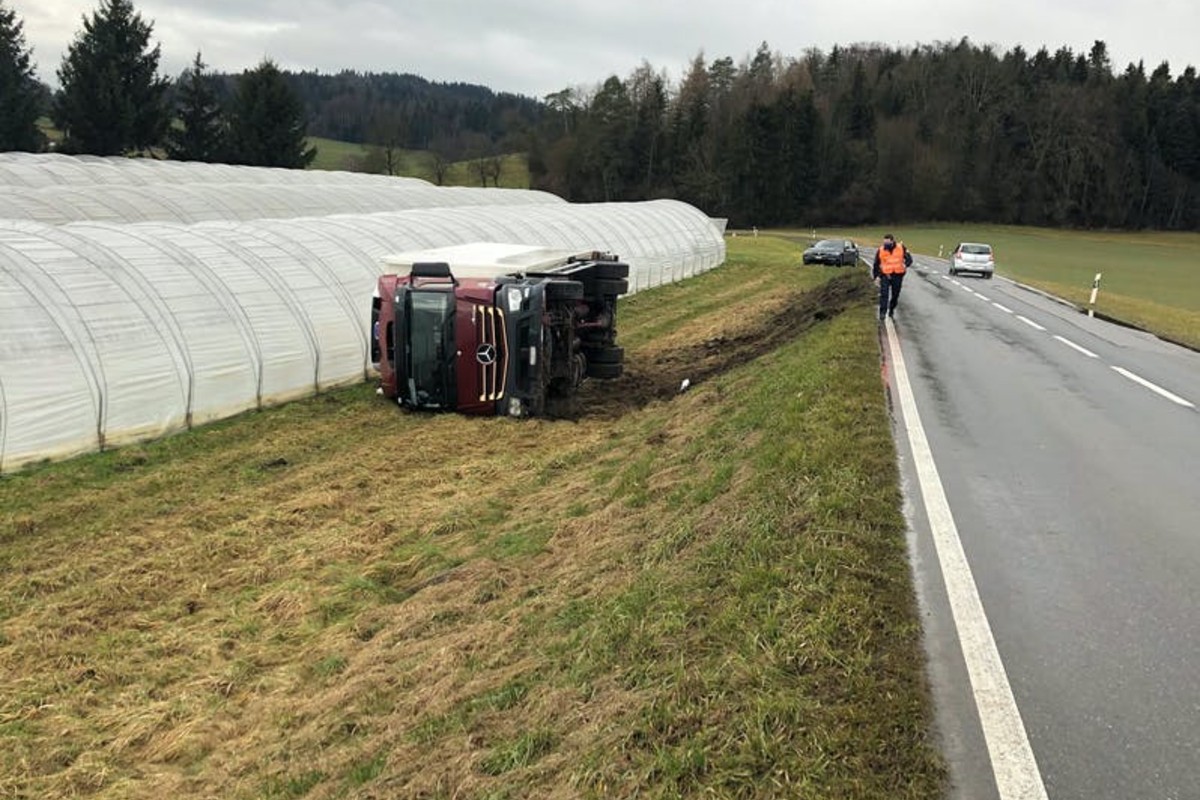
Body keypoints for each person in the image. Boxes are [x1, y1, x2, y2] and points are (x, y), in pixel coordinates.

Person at [872, 233, 912, 320]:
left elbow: (909, 259)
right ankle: (882, 313)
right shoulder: (881, 250)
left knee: (895, 294)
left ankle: (892, 309)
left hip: (897, 275)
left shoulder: (901, 247)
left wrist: (906, 264)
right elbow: (876, 264)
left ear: (892, 241)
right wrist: (876, 277)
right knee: (884, 294)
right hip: (885, 275)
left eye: (887, 242)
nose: (885, 244)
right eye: (884, 242)